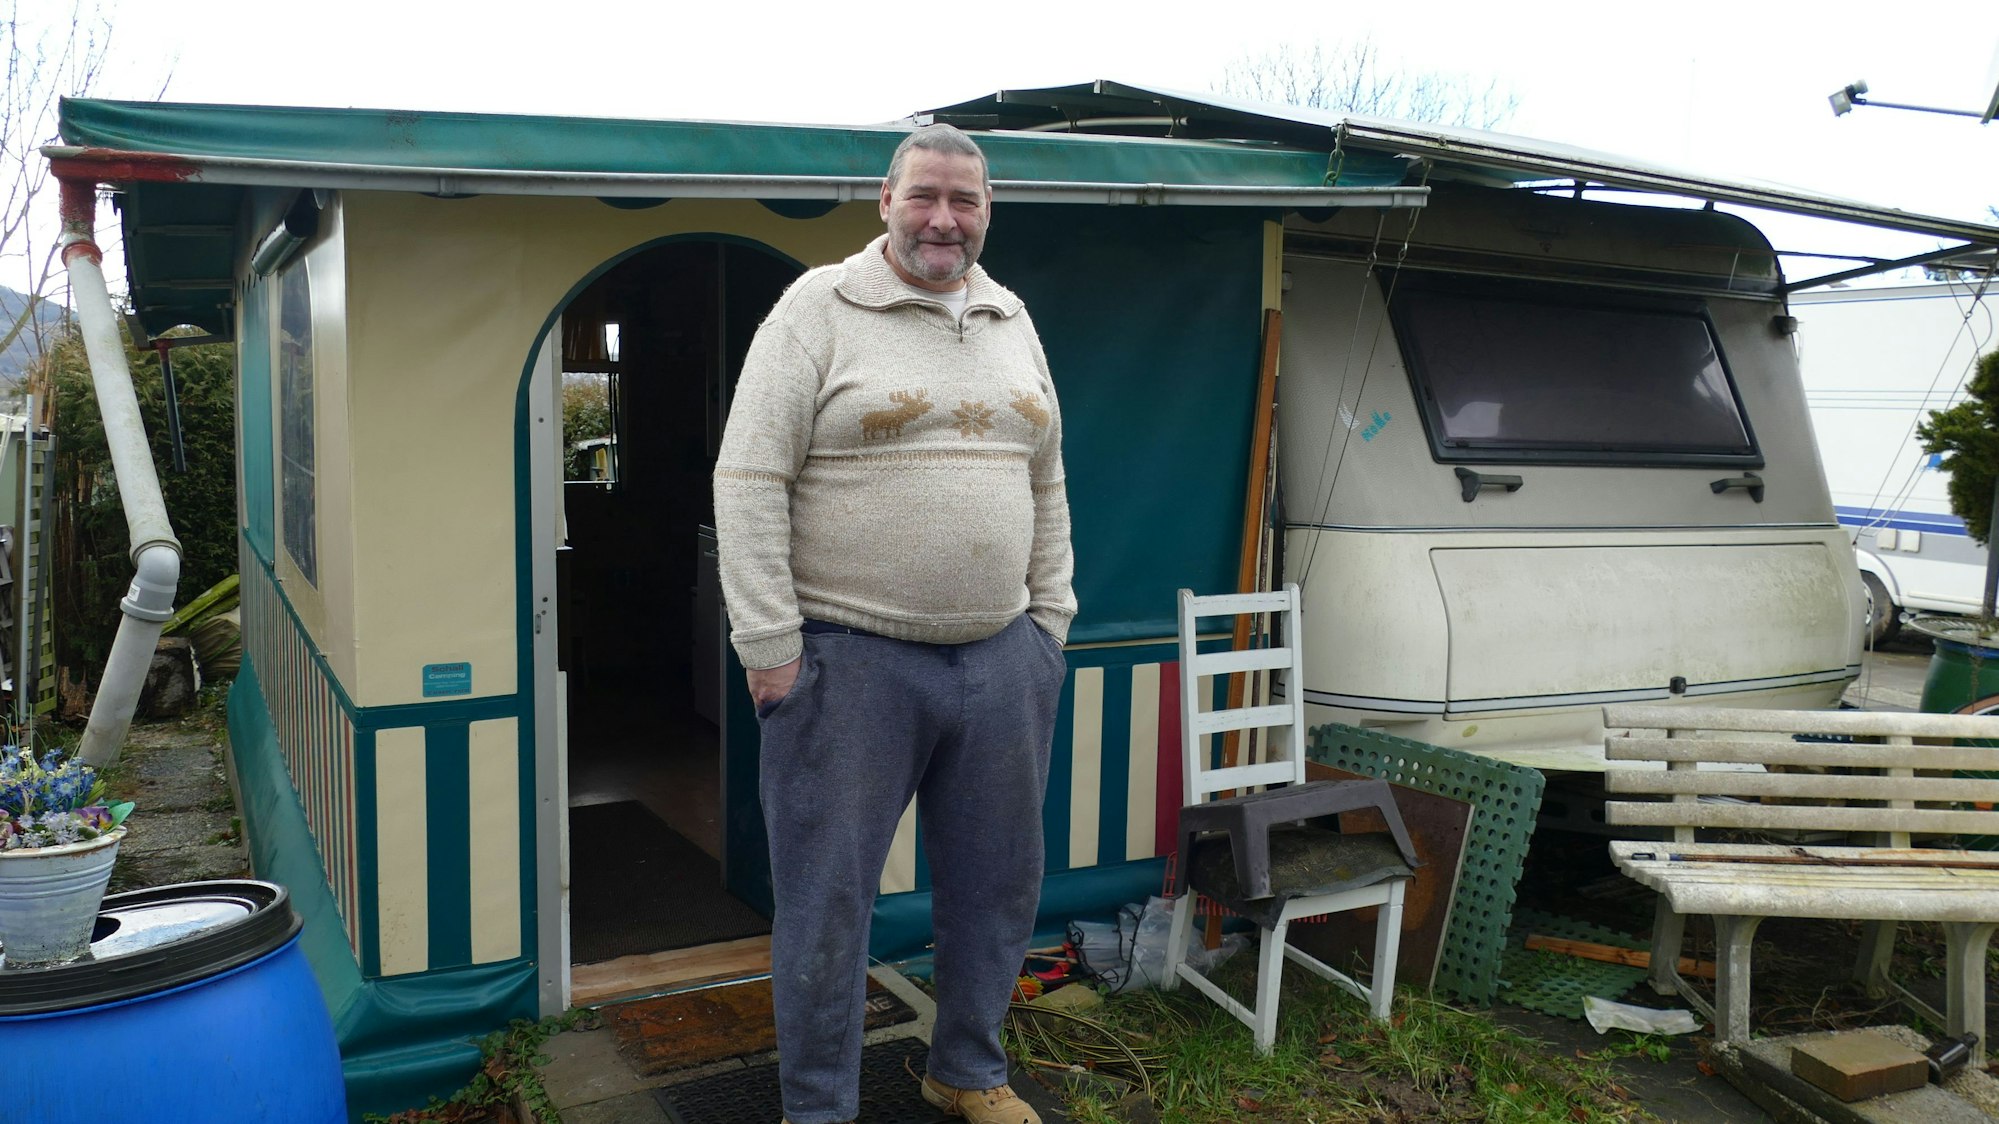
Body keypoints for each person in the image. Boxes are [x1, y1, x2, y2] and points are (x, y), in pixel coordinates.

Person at [712, 123, 1076, 1124]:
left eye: (964, 200)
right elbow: (745, 479)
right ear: (884, 199)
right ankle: (820, 1106)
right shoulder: (816, 310)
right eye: (924, 196)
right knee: (828, 906)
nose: (943, 219)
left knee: (997, 886)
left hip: (1004, 655)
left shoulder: (1010, 315)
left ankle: (965, 1067)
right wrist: (771, 649)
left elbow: (1045, 475)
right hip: (847, 659)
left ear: (986, 210)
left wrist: (1049, 622)